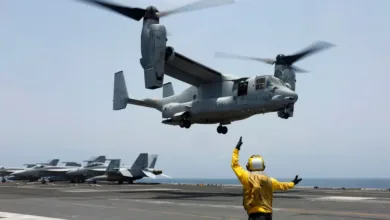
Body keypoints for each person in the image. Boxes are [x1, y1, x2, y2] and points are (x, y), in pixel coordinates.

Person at [231, 136, 302, 220]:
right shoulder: (270, 180)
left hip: (256, 214)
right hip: (268, 215)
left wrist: (236, 149)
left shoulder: (247, 178)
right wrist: (293, 183)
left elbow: (235, 165)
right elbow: (283, 185)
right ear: (263, 166)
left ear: (248, 166)